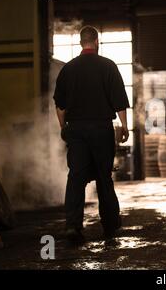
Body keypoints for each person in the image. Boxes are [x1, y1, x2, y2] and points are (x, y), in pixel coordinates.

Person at [53, 26, 130, 244]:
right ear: (96, 42)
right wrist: (123, 127)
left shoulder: (68, 69)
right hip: (101, 129)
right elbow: (119, 101)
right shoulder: (108, 66)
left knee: (76, 177)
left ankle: (73, 226)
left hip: (76, 130)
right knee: (104, 178)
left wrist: (63, 128)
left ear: (80, 43)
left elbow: (60, 105)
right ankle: (110, 226)